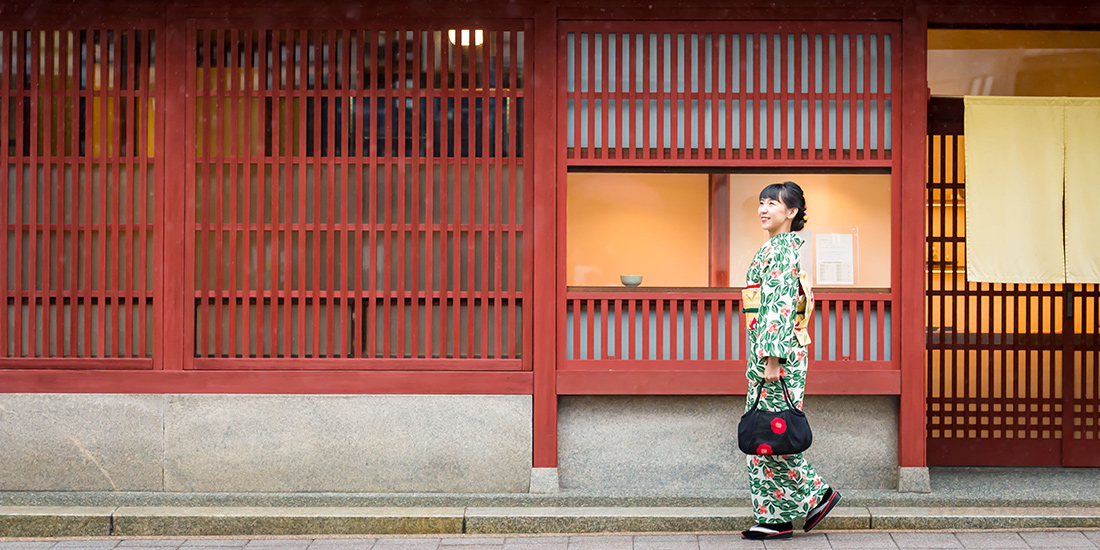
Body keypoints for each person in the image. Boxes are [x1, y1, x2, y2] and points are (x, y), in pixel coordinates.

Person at [740, 181, 840, 541]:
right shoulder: (779, 249)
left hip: (775, 355)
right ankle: (775, 517)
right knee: (765, 436)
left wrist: (771, 360)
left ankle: (817, 495)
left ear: (792, 212)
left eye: (773, 203)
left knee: (771, 432)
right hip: (774, 351)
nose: (764, 209)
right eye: (762, 202)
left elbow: (777, 309)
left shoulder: (780, 252)